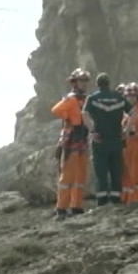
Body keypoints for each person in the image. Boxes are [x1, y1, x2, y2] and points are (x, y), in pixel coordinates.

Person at [82, 72, 133, 207]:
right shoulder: (118, 98)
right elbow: (135, 113)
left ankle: (102, 202)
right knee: (116, 172)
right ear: (109, 83)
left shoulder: (92, 98)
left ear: (97, 84)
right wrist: (126, 131)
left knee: (101, 173)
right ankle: (117, 201)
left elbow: (84, 114)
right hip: (116, 140)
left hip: (100, 141)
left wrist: (92, 130)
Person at [50, 68, 92, 219]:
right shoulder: (71, 99)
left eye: (86, 81)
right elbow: (56, 110)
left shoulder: (87, 99)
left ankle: (76, 205)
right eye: (81, 81)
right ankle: (61, 207)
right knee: (67, 176)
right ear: (74, 83)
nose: (84, 84)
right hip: (70, 141)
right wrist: (70, 118)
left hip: (83, 140)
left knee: (80, 175)